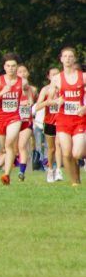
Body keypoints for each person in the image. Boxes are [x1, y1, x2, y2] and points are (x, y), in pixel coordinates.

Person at [0, 53, 30, 185]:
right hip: (0, 118)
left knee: (10, 144)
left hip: (15, 117)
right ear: (4, 67)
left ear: (17, 67)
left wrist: (27, 101)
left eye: (14, 66)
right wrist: (2, 92)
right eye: (8, 66)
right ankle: (7, 168)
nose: (11, 68)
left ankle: (6, 175)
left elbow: (28, 92)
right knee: (4, 147)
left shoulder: (23, 82)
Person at [48, 47, 85, 186]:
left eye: (71, 56)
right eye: (65, 56)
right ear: (61, 59)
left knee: (77, 154)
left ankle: (77, 175)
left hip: (79, 120)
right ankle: (74, 182)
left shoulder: (83, 76)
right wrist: (56, 100)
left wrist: (85, 108)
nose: (68, 59)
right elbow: (50, 97)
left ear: (74, 59)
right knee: (66, 154)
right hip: (63, 120)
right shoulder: (57, 78)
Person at [33, 67, 61, 182]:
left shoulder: (64, 88)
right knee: (52, 148)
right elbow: (37, 106)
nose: (55, 77)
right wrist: (47, 102)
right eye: (53, 75)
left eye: (57, 74)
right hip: (49, 122)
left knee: (60, 145)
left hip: (62, 121)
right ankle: (50, 170)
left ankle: (59, 170)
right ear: (48, 77)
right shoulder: (45, 90)